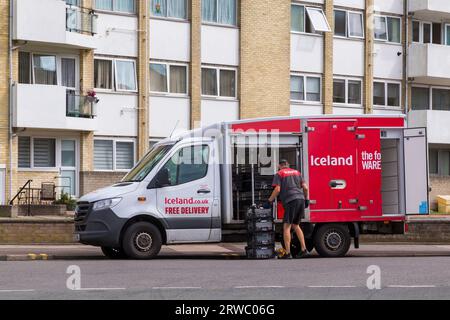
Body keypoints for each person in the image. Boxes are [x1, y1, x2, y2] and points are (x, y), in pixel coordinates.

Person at [269, 159, 310, 259]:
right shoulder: (297, 173)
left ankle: (287, 253)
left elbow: (277, 189)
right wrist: (306, 199)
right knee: (296, 225)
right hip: (300, 199)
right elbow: (305, 188)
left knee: (286, 226)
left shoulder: (279, 173)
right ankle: (304, 249)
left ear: (280, 165)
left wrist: (269, 200)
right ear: (288, 165)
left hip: (291, 201)